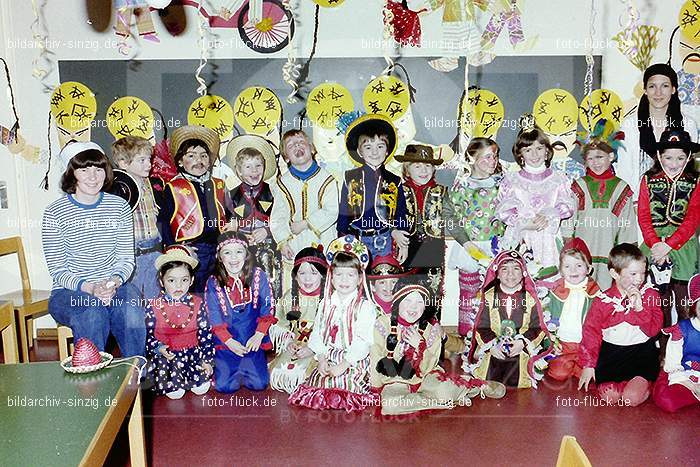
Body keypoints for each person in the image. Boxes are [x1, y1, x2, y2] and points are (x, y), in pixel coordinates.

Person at [42, 141, 145, 356]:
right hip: (70, 291)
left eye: (98, 169)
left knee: (131, 311)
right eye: (84, 169)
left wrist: (112, 283)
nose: (93, 176)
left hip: (114, 285)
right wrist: (90, 288)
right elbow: (58, 270)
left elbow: (126, 260)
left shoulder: (119, 207)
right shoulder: (54, 213)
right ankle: (93, 382)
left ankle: (136, 378)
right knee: (92, 312)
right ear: (71, 174)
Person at [371, 282, 505, 415]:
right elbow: (376, 357)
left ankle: (475, 386)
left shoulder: (431, 330)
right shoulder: (382, 324)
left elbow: (429, 366)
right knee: (390, 405)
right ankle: (446, 402)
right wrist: (376, 389)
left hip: (426, 376)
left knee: (444, 391)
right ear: (397, 302)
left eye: (419, 302)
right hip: (395, 381)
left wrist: (420, 345)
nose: (413, 307)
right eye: (407, 300)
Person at [289, 235, 380, 412]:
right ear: (331, 277)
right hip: (329, 356)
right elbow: (317, 333)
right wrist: (321, 359)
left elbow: (364, 341)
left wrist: (343, 365)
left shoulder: (364, 307)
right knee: (319, 385)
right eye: (339, 274)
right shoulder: (326, 303)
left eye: (350, 275)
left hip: (353, 360)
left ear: (360, 278)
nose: (344, 280)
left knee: (343, 385)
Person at [577, 243, 663, 407]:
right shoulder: (603, 300)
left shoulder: (650, 295)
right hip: (612, 357)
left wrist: (639, 308)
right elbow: (591, 332)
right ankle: (622, 384)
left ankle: (644, 384)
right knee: (610, 397)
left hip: (641, 355)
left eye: (643, 273)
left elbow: (653, 331)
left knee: (631, 399)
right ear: (614, 273)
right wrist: (588, 365)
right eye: (633, 273)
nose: (639, 279)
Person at [496, 116, 576, 279]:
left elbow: (567, 205)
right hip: (521, 239)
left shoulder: (559, 179)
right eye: (528, 150)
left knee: (550, 283)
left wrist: (550, 214)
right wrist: (525, 222)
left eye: (539, 148)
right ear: (520, 154)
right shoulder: (511, 180)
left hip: (549, 239)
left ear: (547, 151)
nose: (534, 154)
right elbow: (504, 210)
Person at [562, 119, 637, 290]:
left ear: (611, 156)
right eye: (590, 158)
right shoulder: (578, 185)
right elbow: (569, 219)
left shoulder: (621, 188)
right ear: (584, 161)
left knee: (605, 297)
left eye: (600, 157)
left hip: (609, 254)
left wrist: (625, 257)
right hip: (580, 256)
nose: (595, 162)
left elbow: (627, 226)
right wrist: (568, 246)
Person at [463, 250, 552, 389]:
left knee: (518, 378)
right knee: (490, 375)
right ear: (497, 274)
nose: (510, 274)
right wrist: (491, 345)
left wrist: (522, 342)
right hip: (495, 347)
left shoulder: (530, 299)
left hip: (520, 348)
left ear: (523, 273)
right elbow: (481, 326)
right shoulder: (489, 297)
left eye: (516, 269)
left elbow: (538, 326)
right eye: (504, 269)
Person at [638, 129, 700, 325]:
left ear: (688, 157)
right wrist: (657, 245)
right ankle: (661, 353)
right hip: (653, 247)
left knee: (685, 305)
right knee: (658, 304)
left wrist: (669, 245)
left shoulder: (695, 181)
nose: (674, 164)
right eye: (668, 158)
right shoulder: (648, 179)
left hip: (684, 248)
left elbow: (692, 218)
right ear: (659, 156)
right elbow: (643, 216)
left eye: (680, 158)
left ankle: (686, 351)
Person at [444, 137, 505, 335]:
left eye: (494, 156)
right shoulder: (461, 185)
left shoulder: (501, 184)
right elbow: (449, 214)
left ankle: (491, 340)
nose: (493, 161)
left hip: (496, 249)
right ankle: (467, 340)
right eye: (487, 157)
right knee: (469, 298)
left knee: (494, 297)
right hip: (469, 249)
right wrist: (466, 243)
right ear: (472, 158)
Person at [205, 231, 276, 393]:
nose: (234, 258)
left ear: (246, 254)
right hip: (228, 345)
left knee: (259, 385)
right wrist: (229, 342)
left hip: (253, 343)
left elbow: (268, 306)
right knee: (225, 387)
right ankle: (227, 369)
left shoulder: (259, 276)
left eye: (239, 251)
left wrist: (259, 335)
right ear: (219, 257)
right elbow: (213, 316)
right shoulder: (213, 283)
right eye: (227, 253)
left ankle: (253, 367)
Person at [159, 126, 228, 292]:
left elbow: (229, 213)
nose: (199, 160)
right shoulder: (173, 187)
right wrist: (177, 250)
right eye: (191, 156)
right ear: (180, 161)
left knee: (217, 294)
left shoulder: (218, 185)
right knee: (195, 294)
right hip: (193, 249)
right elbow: (164, 223)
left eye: (204, 156)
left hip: (218, 250)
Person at [615, 63, 698, 198]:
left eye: (664, 86)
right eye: (652, 86)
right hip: (638, 204)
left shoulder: (688, 125)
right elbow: (624, 170)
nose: (658, 93)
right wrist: (636, 202)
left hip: (677, 203)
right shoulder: (630, 125)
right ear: (645, 90)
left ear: (673, 89)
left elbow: (688, 170)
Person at [337, 114, 410, 263]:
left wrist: (404, 244)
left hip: (386, 239)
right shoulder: (350, 178)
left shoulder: (394, 181)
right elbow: (343, 214)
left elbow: (401, 214)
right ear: (359, 152)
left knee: (383, 282)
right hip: (356, 240)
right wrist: (341, 242)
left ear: (387, 151)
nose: (374, 152)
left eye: (380, 146)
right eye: (368, 147)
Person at [145, 245, 214, 399]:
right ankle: (171, 380)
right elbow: (148, 337)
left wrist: (206, 360)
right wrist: (159, 348)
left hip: (192, 356)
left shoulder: (197, 303)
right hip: (168, 358)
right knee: (176, 393)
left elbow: (205, 335)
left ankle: (192, 376)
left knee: (202, 388)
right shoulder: (154, 306)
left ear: (192, 280)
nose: (178, 286)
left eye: (184, 280)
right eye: (171, 280)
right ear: (162, 281)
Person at [271, 129, 339, 261]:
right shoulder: (282, 183)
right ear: (286, 157)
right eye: (290, 145)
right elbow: (278, 216)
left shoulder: (327, 179)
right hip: (295, 245)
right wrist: (283, 241)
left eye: (301, 141)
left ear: (312, 148)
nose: (297, 145)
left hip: (323, 242)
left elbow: (332, 210)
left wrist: (305, 223)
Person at [226, 134, 281, 296]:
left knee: (269, 285)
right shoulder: (231, 195)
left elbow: (282, 219)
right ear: (239, 171)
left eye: (258, 166)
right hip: (242, 251)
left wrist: (267, 230)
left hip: (268, 248)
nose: (254, 171)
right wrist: (237, 234)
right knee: (246, 287)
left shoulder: (273, 192)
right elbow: (227, 225)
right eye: (248, 167)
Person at [268, 246, 328, 394]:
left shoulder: (330, 300)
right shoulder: (289, 297)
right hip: (296, 345)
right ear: (295, 275)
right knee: (279, 372)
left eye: (313, 273)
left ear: (323, 275)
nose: (307, 279)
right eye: (302, 273)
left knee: (310, 376)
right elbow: (281, 323)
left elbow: (334, 332)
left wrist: (313, 349)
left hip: (321, 349)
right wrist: (288, 343)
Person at [110, 135, 163, 299]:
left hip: (155, 252)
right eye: (142, 160)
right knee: (133, 306)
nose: (148, 164)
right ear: (123, 163)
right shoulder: (116, 189)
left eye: (149, 159)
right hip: (132, 257)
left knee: (155, 304)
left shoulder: (152, 185)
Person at [545, 239, 599, 382]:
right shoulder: (554, 291)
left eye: (579, 265)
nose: (573, 270)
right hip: (563, 345)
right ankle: (568, 365)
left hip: (585, 346)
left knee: (590, 375)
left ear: (589, 269)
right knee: (558, 374)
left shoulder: (596, 293)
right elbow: (544, 319)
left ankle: (578, 366)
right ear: (561, 270)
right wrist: (550, 344)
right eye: (567, 266)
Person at [396, 144, 447, 296]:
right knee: (406, 287)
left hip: (433, 248)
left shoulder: (442, 192)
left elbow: (452, 220)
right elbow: (388, 218)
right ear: (407, 169)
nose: (424, 171)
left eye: (428, 166)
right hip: (406, 245)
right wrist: (394, 232)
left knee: (432, 288)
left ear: (434, 169)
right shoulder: (398, 191)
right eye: (417, 166)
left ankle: (432, 318)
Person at [652, 273, 700, 413]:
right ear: (694, 305)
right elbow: (674, 365)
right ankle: (662, 381)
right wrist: (692, 386)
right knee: (667, 400)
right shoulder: (682, 330)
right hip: (682, 374)